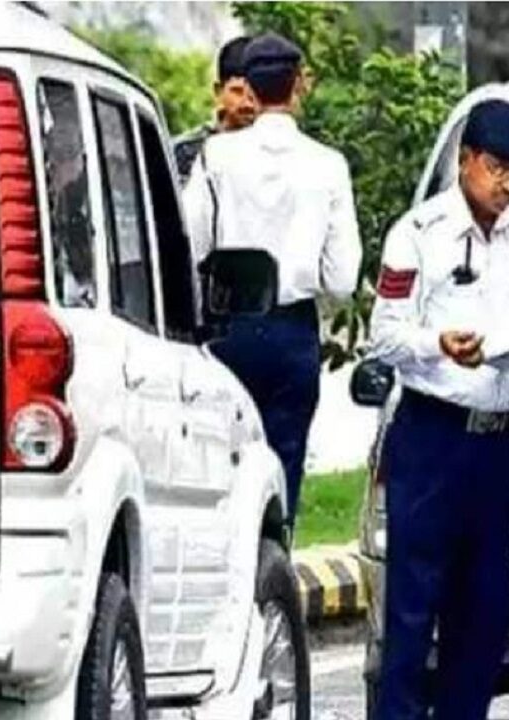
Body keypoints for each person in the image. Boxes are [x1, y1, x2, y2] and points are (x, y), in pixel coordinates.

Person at [367, 98, 509, 720]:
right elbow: (382, 335)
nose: (508, 185)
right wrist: (439, 345)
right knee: (411, 611)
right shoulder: (417, 235)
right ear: (466, 161)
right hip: (432, 439)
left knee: (483, 616)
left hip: (495, 445)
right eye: (497, 168)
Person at [185, 32, 362, 531]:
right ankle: (274, 573)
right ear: (298, 86)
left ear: (252, 90)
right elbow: (344, 278)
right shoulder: (329, 165)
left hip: (228, 327)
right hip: (292, 332)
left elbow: (192, 244)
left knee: (223, 465)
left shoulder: (215, 157)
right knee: (284, 465)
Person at [173, 35, 255, 179]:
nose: (247, 103)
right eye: (237, 91)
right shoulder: (185, 151)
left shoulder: (277, 154)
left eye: (255, 93)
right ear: (218, 91)